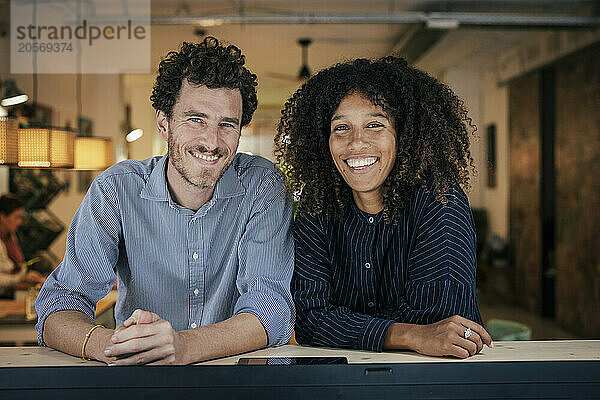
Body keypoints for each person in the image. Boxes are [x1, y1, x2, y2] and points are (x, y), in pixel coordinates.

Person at [36, 37, 295, 365]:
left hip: (238, 384)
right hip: (140, 380)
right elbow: (59, 305)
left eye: (226, 124)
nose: (211, 141)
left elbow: (270, 312)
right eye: (195, 119)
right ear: (164, 123)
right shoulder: (116, 190)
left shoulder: (262, 185)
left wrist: (182, 346)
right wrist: (115, 345)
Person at [275, 57, 493, 358]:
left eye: (375, 125)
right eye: (341, 128)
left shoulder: (440, 199)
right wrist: (409, 334)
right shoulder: (319, 206)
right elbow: (310, 319)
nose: (355, 143)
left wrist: (348, 326)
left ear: (403, 134)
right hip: (349, 382)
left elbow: (439, 323)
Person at [0, 194, 44, 297]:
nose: (20, 222)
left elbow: (20, 265)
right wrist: (20, 278)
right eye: (16, 217)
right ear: (2, 217)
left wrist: (27, 276)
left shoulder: (11, 237)